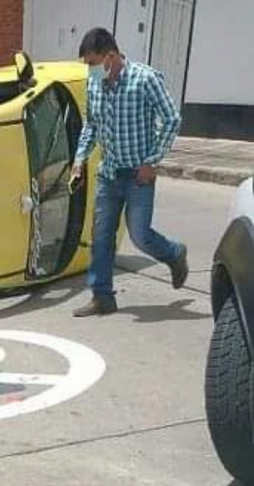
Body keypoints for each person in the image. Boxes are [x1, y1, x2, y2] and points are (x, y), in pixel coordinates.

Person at [70, 28, 187, 317]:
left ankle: (174, 254)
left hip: (139, 175)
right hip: (109, 173)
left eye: (92, 63)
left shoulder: (145, 79)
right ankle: (102, 297)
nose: (89, 70)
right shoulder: (94, 83)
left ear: (110, 57)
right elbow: (91, 125)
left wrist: (152, 161)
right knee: (102, 236)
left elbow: (171, 119)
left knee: (140, 235)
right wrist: (79, 159)